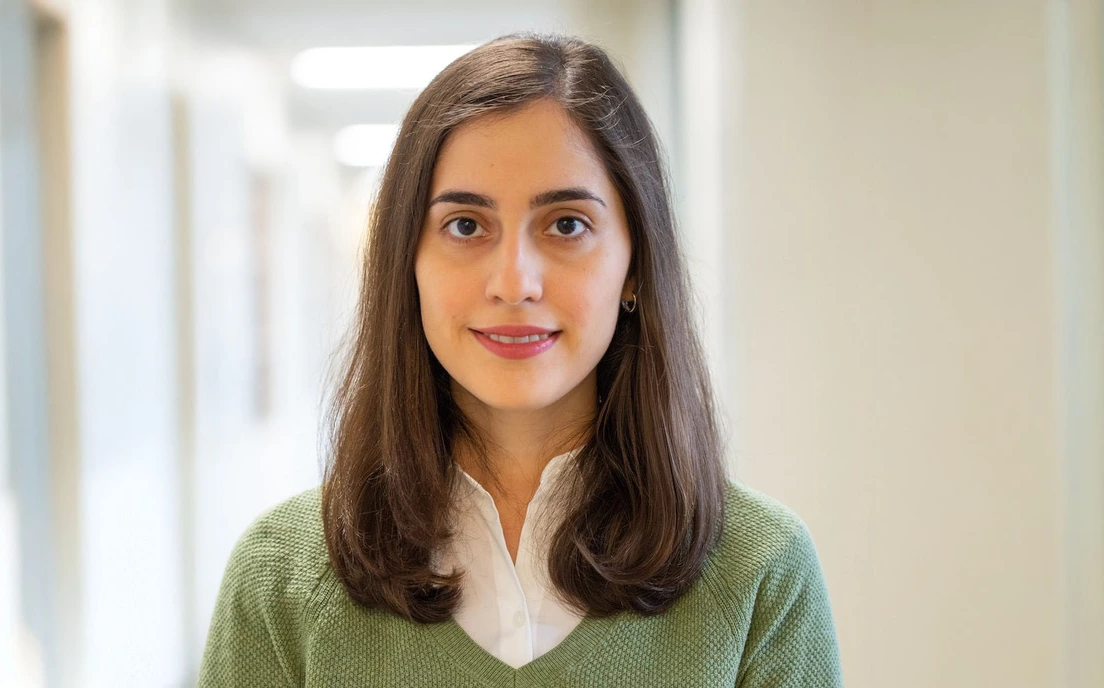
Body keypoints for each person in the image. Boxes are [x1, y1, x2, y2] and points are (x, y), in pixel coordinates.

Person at [198, 33, 843, 687]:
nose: (513, 282)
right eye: (466, 226)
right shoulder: (279, 580)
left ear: (634, 266)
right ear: (407, 264)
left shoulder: (762, 572)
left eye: (566, 224)